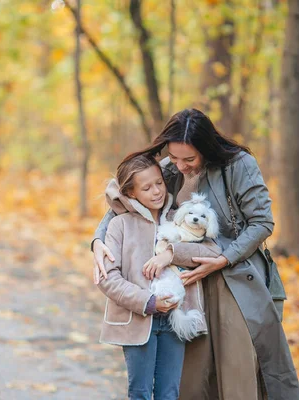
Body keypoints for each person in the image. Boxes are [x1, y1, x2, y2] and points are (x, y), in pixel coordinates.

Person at [92, 108, 299, 400]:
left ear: (207, 148)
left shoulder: (240, 165)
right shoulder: (169, 167)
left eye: (188, 159)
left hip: (234, 277)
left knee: (236, 369)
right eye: (174, 157)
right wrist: (98, 239)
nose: (180, 166)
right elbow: (124, 200)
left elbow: (262, 222)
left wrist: (224, 259)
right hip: (185, 284)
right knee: (189, 377)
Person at [97, 152, 220, 400]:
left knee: (169, 393)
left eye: (159, 183)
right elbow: (108, 278)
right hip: (138, 318)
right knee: (140, 392)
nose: (157, 192)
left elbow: (211, 250)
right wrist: (149, 302)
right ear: (131, 193)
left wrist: (171, 253)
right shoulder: (120, 226)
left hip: (176, 317)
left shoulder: (179, 218)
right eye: (147, 187)